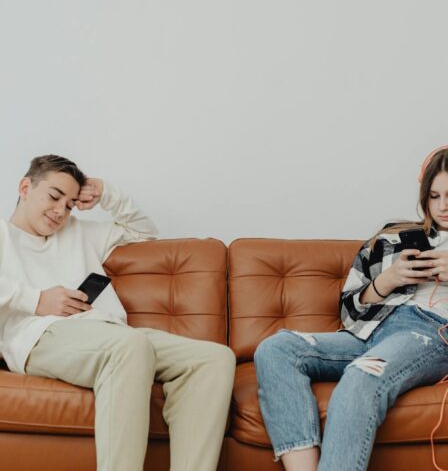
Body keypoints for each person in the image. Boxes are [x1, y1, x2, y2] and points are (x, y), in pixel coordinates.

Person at [0, 154, 235, 471]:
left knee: (214, 358)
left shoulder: (81, 233)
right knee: (129, 347)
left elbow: (143, 233)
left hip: (109, 335)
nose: (60, 211)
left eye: (69, 205)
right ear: (25, 187)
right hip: (39, 336)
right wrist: (35, 299)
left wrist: (106, 193)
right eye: (54, 197)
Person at [254, 146, 448, 471]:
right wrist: (385, 282)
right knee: (276, 349)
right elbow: (347, 312)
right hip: (371, 331)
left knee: (362, 374)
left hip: (428, 335)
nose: (444, 206)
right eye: (434, 196)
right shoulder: (392, 237)